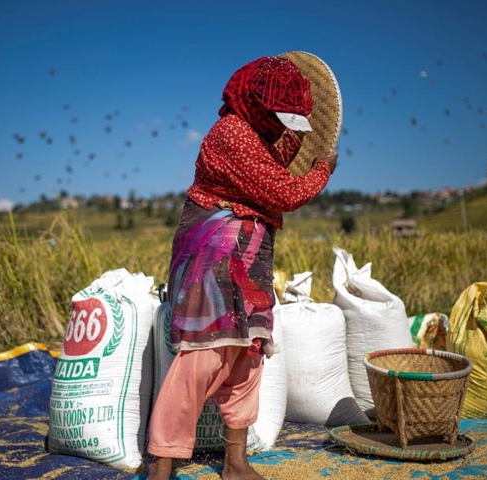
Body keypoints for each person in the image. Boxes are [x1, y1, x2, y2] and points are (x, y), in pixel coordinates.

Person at [146, 56, 337, 480]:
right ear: (257, 105)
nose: (283, 125)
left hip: (249, 260)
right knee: (203, 357)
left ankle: (235, 462)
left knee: (248, 355)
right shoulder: (232, 134)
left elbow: (283, 158)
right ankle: (163, 464)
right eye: (279, 116)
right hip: (211, 259)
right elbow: (284, 191)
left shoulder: (265, 134)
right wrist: (324, 170)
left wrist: (303, 142)